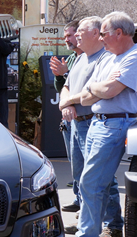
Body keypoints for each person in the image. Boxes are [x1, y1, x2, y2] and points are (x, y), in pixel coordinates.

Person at [59, 11, 137, 237]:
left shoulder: (135, 57)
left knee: (91, 182)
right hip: (99, 122)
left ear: (119, 33)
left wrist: (101, 89)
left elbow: (108, 90)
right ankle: (103, 231)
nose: (102, 39)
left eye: (104, 34)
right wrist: (100, 89)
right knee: (94, 183)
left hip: (115, 123)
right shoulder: (110, 59)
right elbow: (86, 94)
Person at [50, 20, 82, 212]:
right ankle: (78, 199)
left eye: (69, 35)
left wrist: (66, 73)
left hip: (83, 118)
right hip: (68, 120)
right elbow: (61, 89)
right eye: (64, 36)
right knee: (74, 162)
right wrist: (59, 75)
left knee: (84, 164)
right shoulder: (71, 58)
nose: (67, 40)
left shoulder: (90, 57)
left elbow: (83, 86)